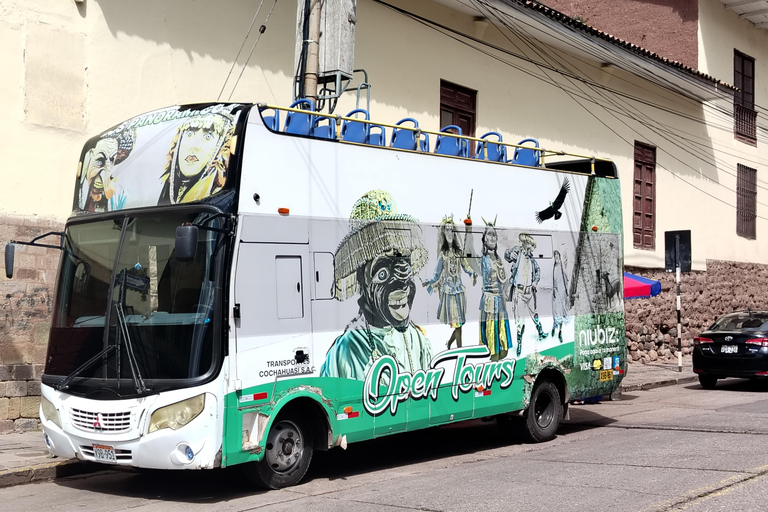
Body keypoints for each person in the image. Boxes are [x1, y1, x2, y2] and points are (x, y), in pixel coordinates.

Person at [321, 190, 432, 382]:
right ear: (363, 282)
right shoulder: (346, 352)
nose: (401, 285)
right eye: (383, 273)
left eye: (404, 266)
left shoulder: (418, 342)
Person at [423, 215, 478, 349]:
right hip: (449, 292)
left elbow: (466, 266)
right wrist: (429, 282)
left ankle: (449, 343)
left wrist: (472, 273)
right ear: (444, 233)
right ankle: (460, 349)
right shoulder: (443, 255)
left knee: (459, 324)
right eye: (447, 230)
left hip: (459, 291)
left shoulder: (459, 253)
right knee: (457, 324)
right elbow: (437, 274)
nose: (449, 233)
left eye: (451, 230)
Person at [158, 112, 234, 205]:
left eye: (208, 136)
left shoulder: (221, 195)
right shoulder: (166, 189)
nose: (194, 146)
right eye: (189, 134)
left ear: (221, 146)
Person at [505, 233, 547, 357]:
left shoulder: (532, 261)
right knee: (520, 321)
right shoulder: (517, 254)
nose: (532, 249)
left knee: (535, 313)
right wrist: (509, 254)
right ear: (525, 244)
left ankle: (540, 331)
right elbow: (507, 254)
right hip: (519, 292)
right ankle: (519, 344)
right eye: (530, 246)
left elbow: (538, 271)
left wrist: (535, 282)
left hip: (529, 292)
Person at [478, 221, 511, 361]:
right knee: (492, 349)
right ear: (484, 238)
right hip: (490, 304)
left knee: (504, 350)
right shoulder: (482, 259)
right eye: (490, 234)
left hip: (501, 304)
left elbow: (504, 281)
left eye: (495, 235)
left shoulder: (499, 259)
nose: (493, 238)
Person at [551, 249, 570, 343]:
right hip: (556, 292)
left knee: (562, 312)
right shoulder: (553, 267)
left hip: (562, 292)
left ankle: (560, 332)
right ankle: (554, 326)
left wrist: (567, 292)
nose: (556, 258)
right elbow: (552, 280)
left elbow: (566, 279)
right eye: (555, 256)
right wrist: (554, 290)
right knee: (555, 312)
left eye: (557, 256)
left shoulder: (562, 267)